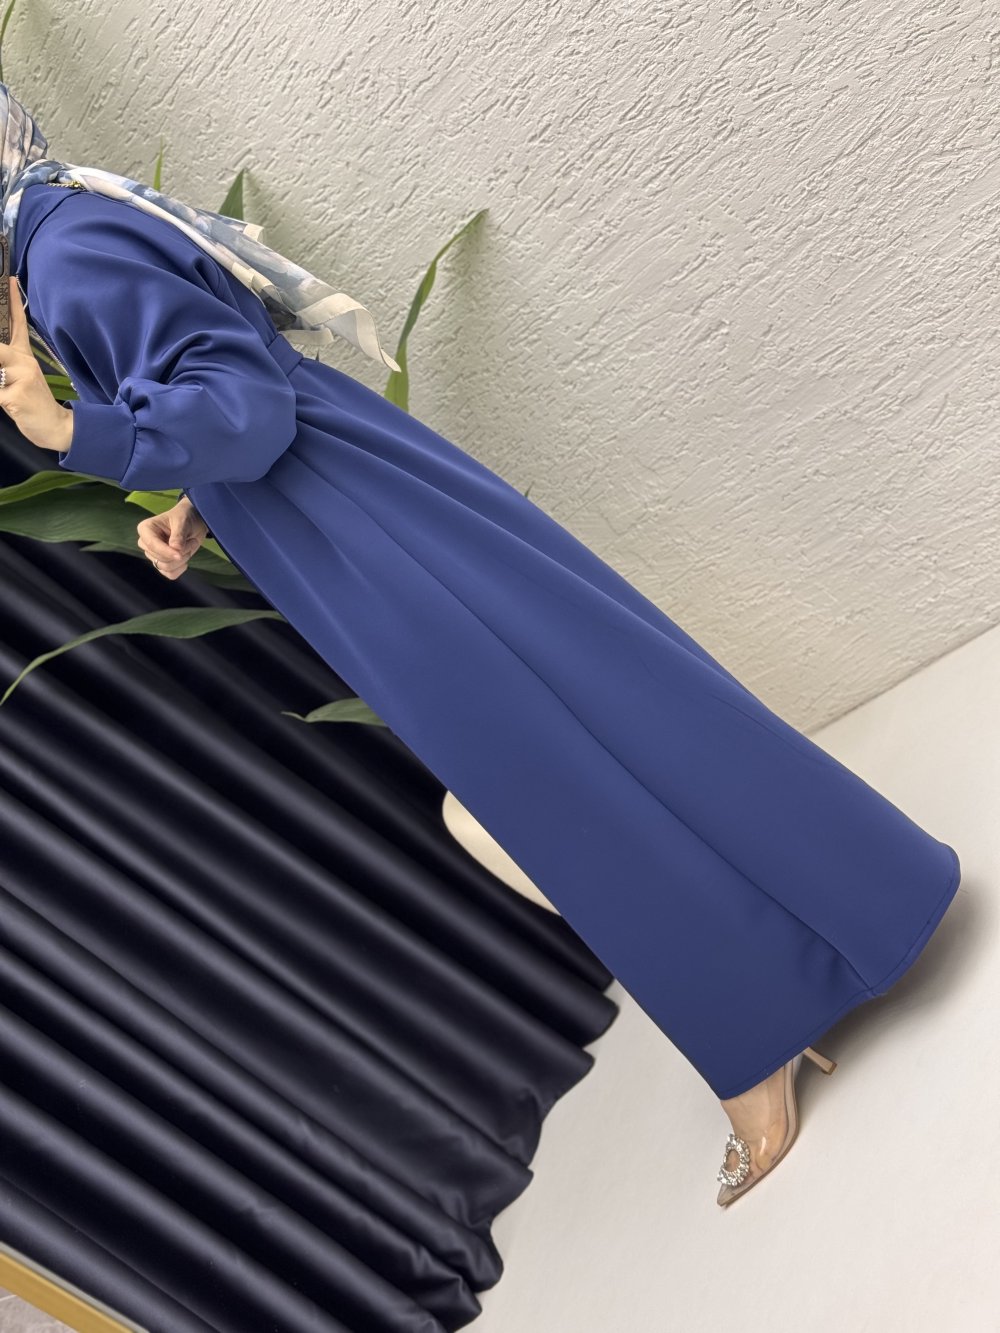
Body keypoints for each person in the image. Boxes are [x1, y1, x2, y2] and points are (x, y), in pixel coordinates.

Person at [0, 83, 961, 1208]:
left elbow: (246, 406)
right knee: (613, 699)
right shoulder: (68, 222)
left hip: (353, 532)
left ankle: (758, 1034)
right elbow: (232, 377)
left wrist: (70, 429)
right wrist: (196, 503)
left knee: (540, 775)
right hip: (354, 496)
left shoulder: (62, 255)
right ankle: (867, 898)